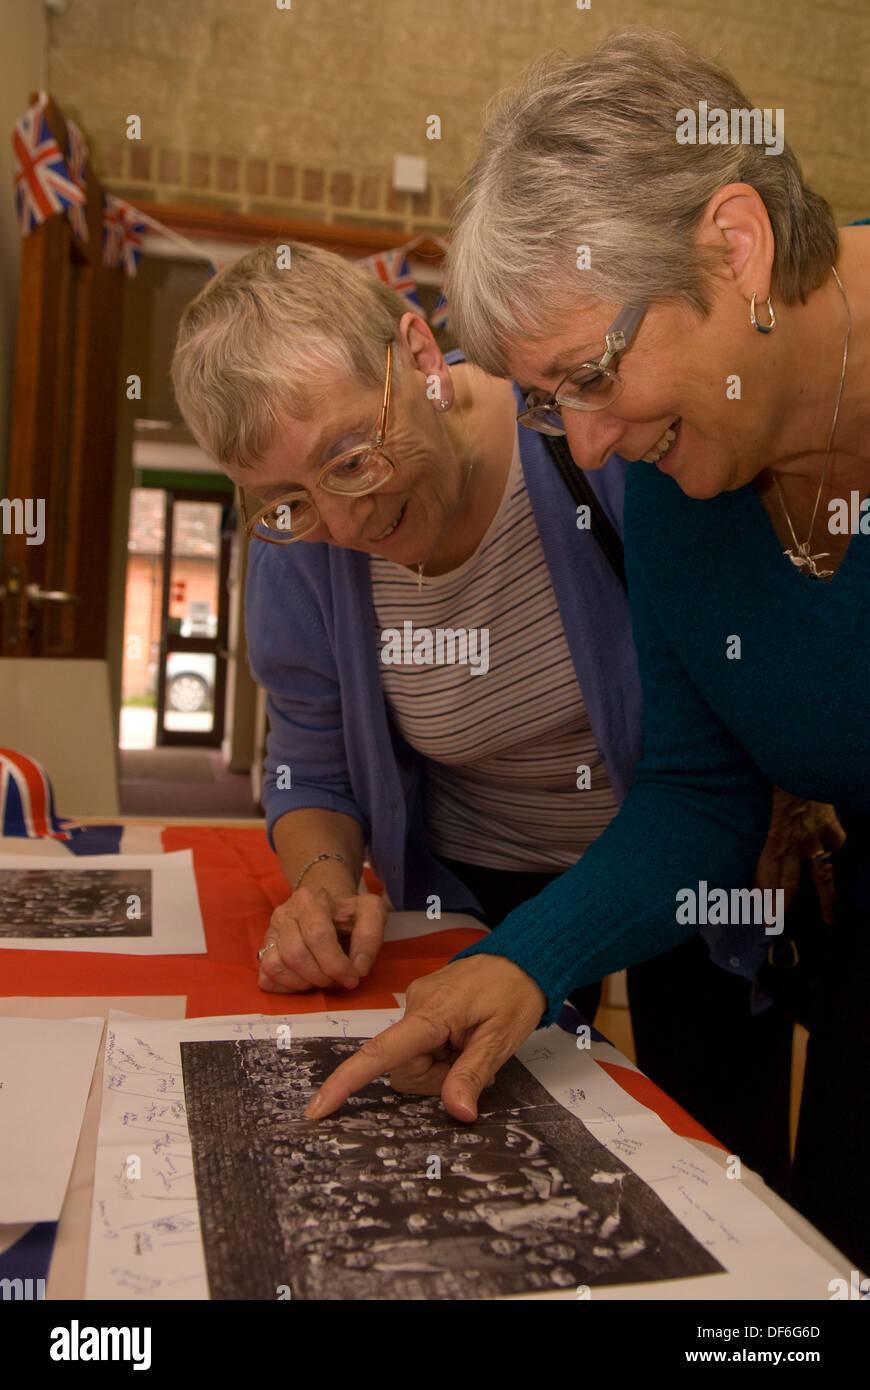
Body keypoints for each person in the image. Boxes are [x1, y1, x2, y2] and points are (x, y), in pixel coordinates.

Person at [304, 29, 870, 1268]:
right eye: (552, 402)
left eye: (594, 376)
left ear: (737, 247)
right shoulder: (680, 476)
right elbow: (698, 797)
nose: (594, 446)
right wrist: (519, 963)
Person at [170, 241, 648, 1017]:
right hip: (475, 882)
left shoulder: (582, 437)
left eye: (352, 458)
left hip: (676, 850)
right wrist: (323, 886)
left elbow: (724, 677)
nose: (345, 522)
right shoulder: (294, 548)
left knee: (711, 1123)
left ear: (421, 356)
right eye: (288, 499)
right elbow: (310, 766)